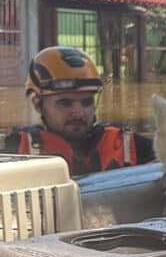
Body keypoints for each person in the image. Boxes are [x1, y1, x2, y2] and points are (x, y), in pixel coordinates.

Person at [2, 46, 154, 175]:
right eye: (65, 103)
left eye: (87, 102)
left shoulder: (128, 146)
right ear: (37, 103)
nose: (79, 113)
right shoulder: (15, 151)